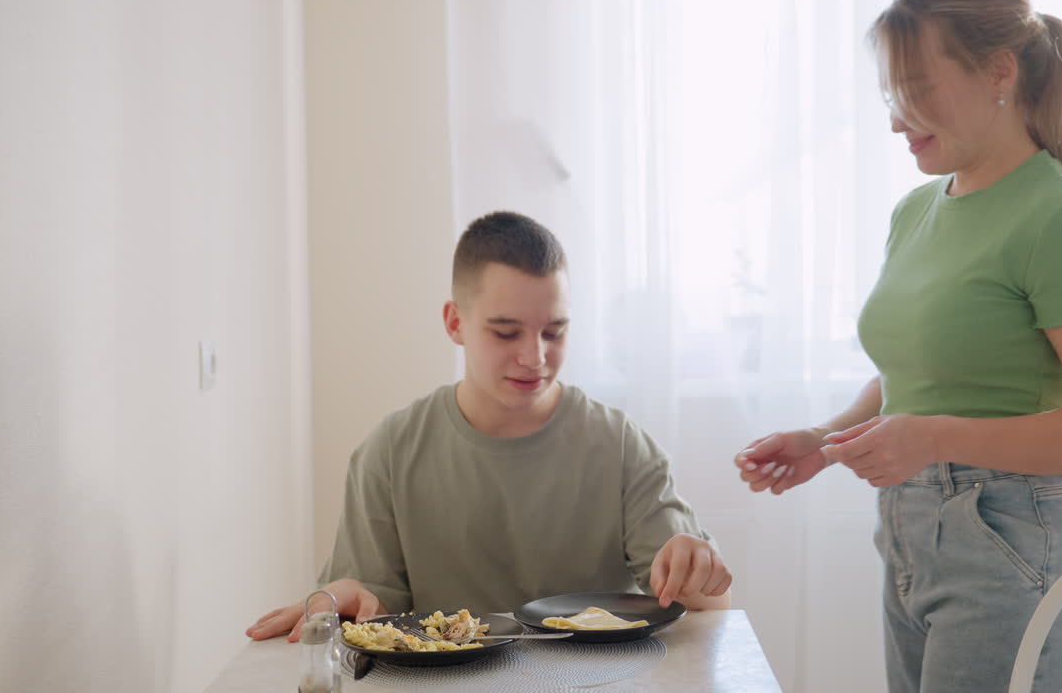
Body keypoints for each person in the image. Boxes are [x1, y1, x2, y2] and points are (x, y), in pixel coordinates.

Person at [735, 0, 1062, 691]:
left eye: (917, 88)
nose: (898, 120)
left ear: (999, 71)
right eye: (890, 94)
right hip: (911, 530)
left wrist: (934, 437)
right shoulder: (917, 208)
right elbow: (923, 372)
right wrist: (825, 444)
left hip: (1013, 539)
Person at [248, 211, 731, 642]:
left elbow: (703, 610)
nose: (534, 357)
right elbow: (369, 613)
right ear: (454, 323)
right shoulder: (390, 452)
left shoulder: (620, 445)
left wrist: (700, 570)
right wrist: (345, 599)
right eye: (506, 332)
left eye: (554, 331)